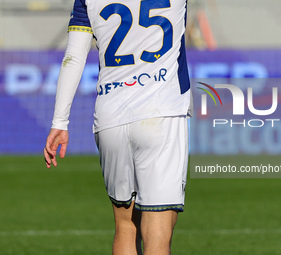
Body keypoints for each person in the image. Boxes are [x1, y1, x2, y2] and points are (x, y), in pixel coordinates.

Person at [43, 0, 191, 254]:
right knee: (158, 230)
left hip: (110, 117)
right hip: (162, 114)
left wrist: (60, 122)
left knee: (125, 226)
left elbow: (74, 57)